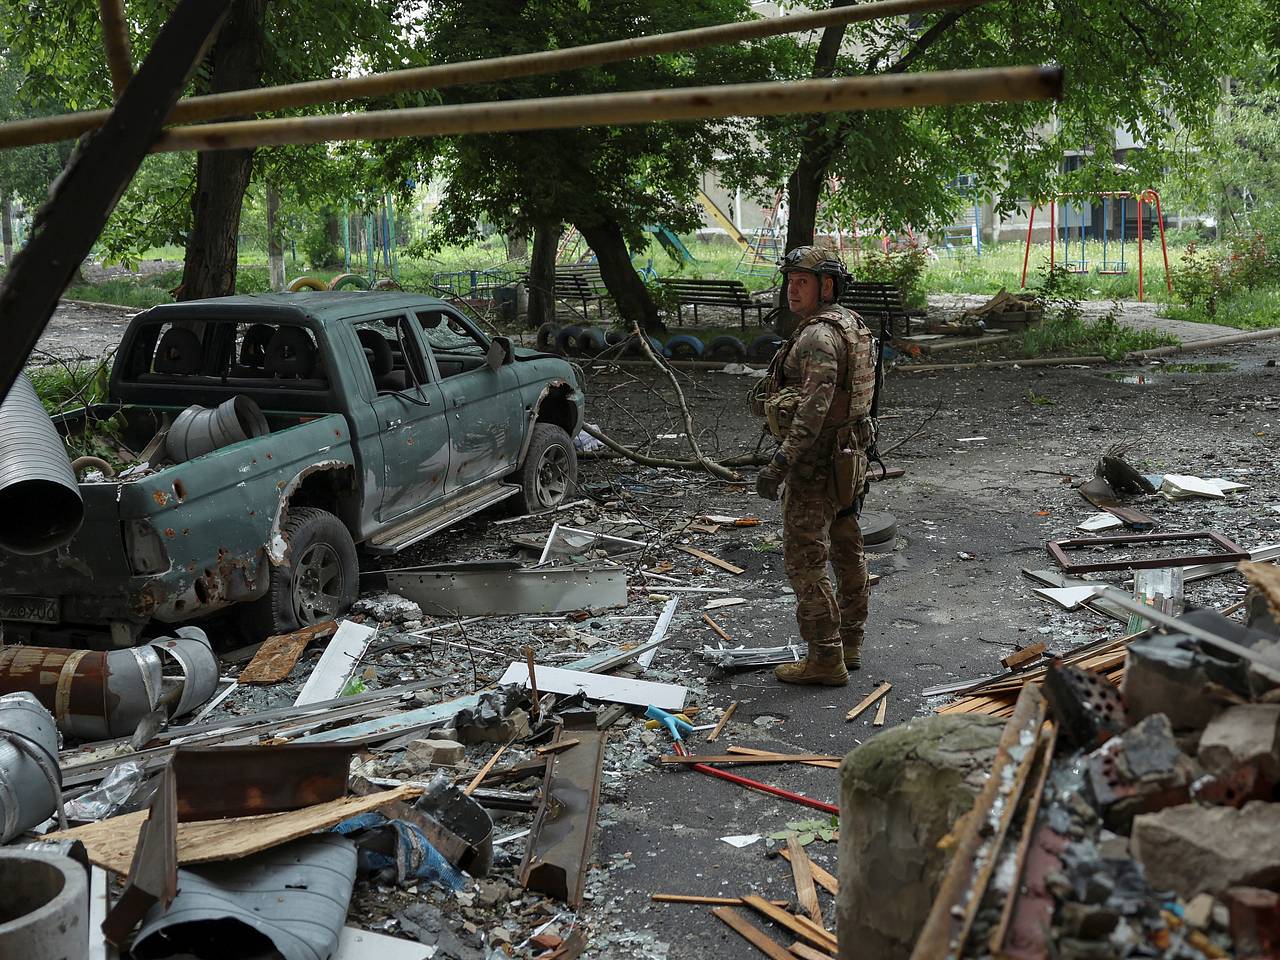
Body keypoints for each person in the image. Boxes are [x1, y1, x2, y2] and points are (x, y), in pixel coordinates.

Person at [755, 245, 878, 686]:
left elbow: (813, 409)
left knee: (806, 559)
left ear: (826, 286)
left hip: (817, 463)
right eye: (790, 280)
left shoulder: (817, 337)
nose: (792, 289)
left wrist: (780, 463)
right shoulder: (854, 326)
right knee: (847, 544)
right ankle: (850, 641)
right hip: (851, 458)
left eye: (802, 282)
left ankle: (826, 658)